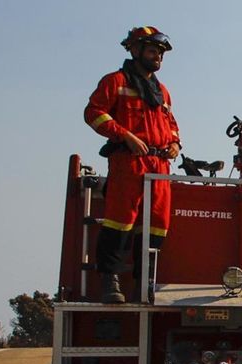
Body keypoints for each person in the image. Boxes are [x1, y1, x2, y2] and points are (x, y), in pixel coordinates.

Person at [84, 26, 181, 304]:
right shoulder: (115, 81)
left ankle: (145, 283)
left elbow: (171, 125)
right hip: (130, 161)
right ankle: (110, 282)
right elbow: (93, 113)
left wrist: (176, 143)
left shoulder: (162, 91)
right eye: (153, 51)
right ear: (135, 50)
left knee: (157, 225)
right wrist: (124, 135)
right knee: (120, 220)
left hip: (160, 165)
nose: (158, 57)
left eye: (161, 53)